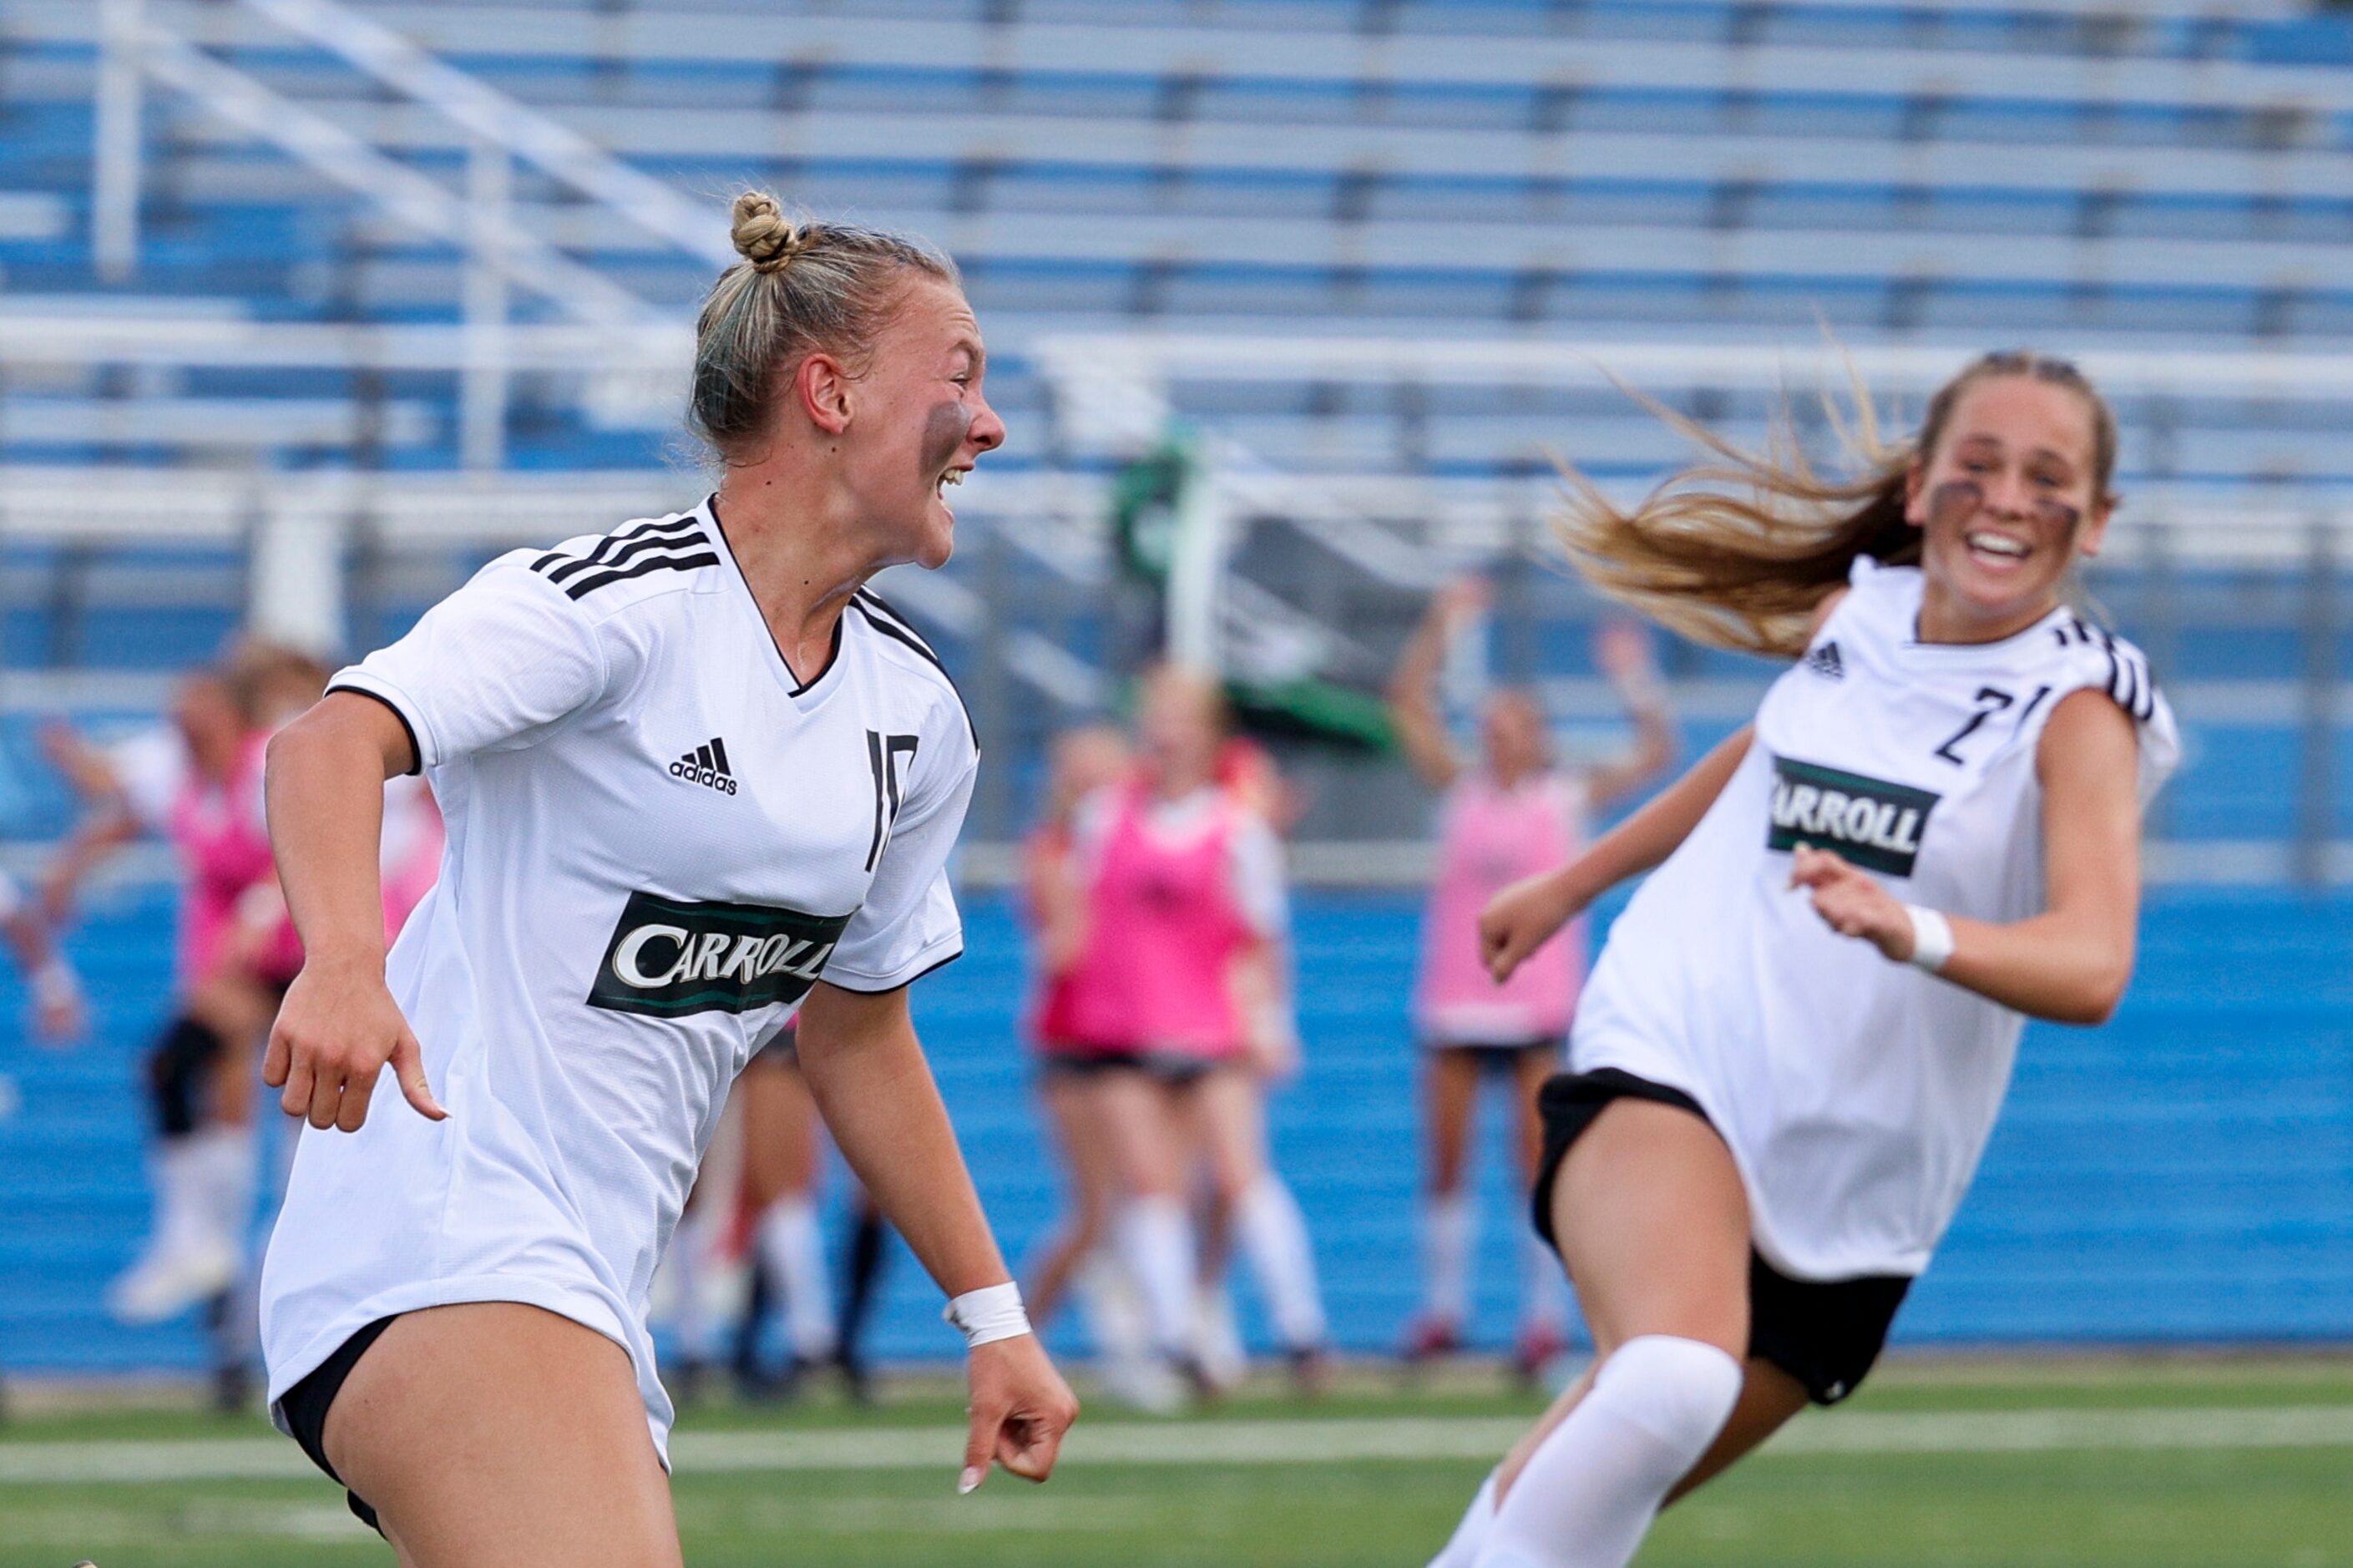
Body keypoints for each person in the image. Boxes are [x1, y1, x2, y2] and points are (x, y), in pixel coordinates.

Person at [255, 192, 1076, 1563]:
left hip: (593, 1288)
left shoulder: (915, 717)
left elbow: (859, 1036)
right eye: (961, 376)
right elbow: (330, 739)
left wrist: (993, 1319)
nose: (987, 423)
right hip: (446, 1240)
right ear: (827, 391)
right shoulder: (614, 605)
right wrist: (345, 957)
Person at [1429, 352, 2179, 1568]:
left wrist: (1910, 928)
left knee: (1584, 1499)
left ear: (2093, 522)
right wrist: (1577, 879)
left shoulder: (2080, 704)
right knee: (1669, 1375)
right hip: (1678, 1050)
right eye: (1975, 465)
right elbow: (1769, 750)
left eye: (2046, 478)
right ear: (1920, 485)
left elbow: (2091, 964)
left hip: (1860, 1185)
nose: (2002, 498)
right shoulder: (1859, 613)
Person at [1389, 582, 1672, 1381]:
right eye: (1492, 729)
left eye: (1514, 729)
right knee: (1444, 1161)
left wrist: (1631, 677)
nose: (1499, 741)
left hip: (1535, 1000)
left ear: (1538, 737)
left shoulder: (1564, 796)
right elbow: (1407, 701)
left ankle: (1541, 1319)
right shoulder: (1461, 790)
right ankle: (1444, 1309)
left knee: (1534, 1160)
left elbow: (1658, 751)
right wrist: (1443, 625)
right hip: (1457, 996)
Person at [1063, 666, 1327, 1395]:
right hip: (1123, 1030)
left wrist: (1271, 1023)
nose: (1166, 731)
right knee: (1152, 1186)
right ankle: (1178, 1338)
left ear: (1209, 735)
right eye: (1157, 715)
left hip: (1211, 1030)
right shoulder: (1103, 815)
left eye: (1182, 717)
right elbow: (1083, 922)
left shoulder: (1237, 829)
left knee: (1242, 1177)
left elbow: (1262, 937)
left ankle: (1302, 1333)